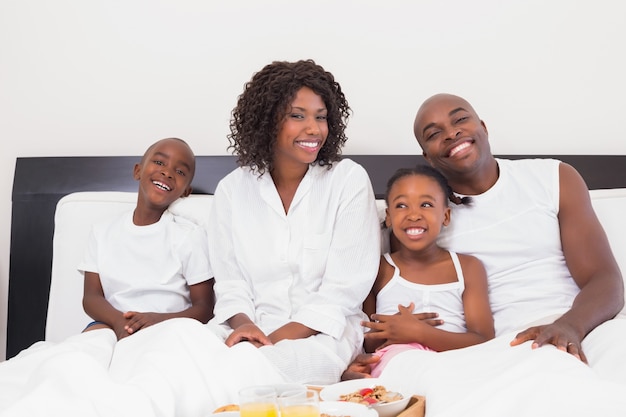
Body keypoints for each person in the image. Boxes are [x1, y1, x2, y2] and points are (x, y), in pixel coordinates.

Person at [342, 93, 626, 383]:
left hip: (585, 327)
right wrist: (374, 358)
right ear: (427, 156)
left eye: (460, 119)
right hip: (500, 350)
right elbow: (401, 315)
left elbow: (606, 281)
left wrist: (569, 326)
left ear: (484, 127)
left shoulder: (553, 177)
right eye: (435, 133)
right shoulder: (426, 219)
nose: (452, 133)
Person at [206, 59, 381, 385]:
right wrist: (245, 327)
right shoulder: (232, 190)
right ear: (267, 121)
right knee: (178, 344)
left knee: (255, 371)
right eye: (297, 116)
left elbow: (343, 291)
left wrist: (268, 342)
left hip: (323, 334)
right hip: (246, 330)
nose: (314, 129)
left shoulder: (348, 181)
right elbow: (231, 284)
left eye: (321, 117)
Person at [363, 165, 494, 378]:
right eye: (402, 205)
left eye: (426, 204)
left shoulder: (468, 268)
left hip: (456, 363)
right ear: (388, 216)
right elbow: (366, 344)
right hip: (399, 364)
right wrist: (391, 330)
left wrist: (421, 333)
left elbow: (483, 341)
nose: (414, 215)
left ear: (446, 215)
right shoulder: (378, 269)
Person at [80, 137, 214, 340]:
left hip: (168, 326)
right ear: (138, 171)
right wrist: (119, 322)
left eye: (180, 172)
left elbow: (204, 308)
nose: (167, 173)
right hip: (110, 323)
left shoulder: (189, 236)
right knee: (83, 353)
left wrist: (157, 321)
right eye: (159, 162)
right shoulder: (102, 231)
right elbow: (91, 297)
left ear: (186, 191)